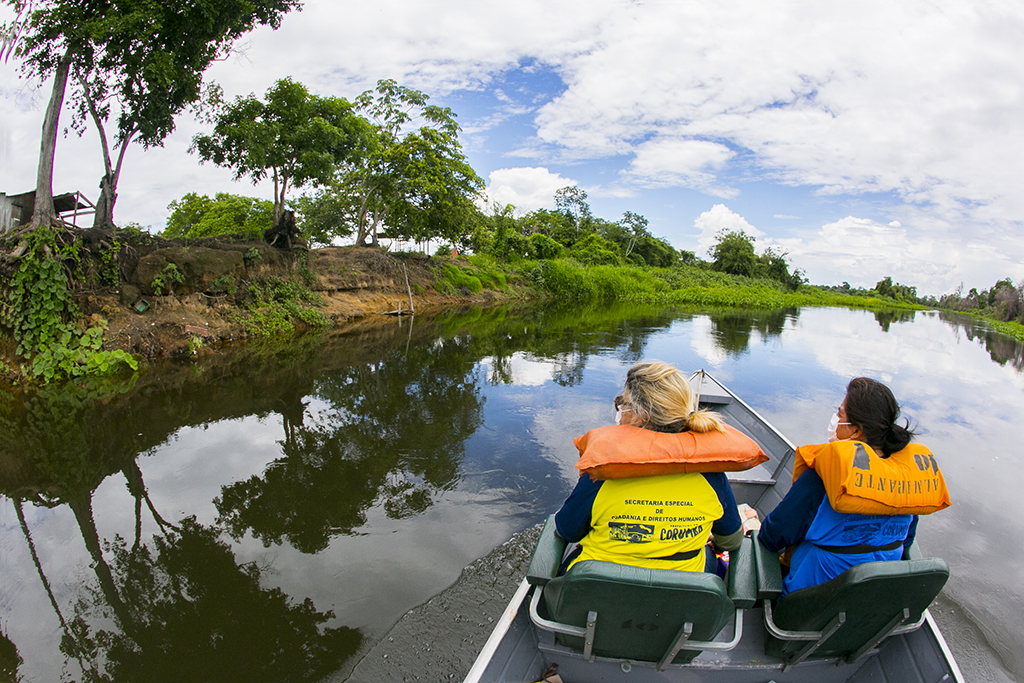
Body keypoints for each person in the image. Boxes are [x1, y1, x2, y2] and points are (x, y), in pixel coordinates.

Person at [758, 377, 949, 596]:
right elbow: (907, 541)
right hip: (872, 603)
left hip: (808, 607)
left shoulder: (823, 477)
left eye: (839, 415)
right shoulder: (906, 480)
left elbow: (774, 536)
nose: (835, 420)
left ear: (856, 431)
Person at [554, 362, 743, 574]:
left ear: (639, 415)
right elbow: (731, 542)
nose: (619, 410)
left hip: (596, 596)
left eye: (622, 403)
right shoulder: (711, 475)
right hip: (682, 596)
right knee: (707, 553)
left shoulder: (602, 472)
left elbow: (567, 530)